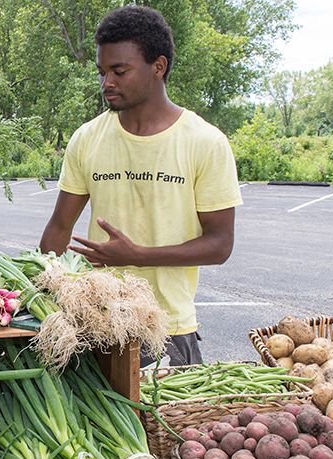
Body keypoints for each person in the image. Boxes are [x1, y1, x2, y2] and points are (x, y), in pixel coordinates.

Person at [39, 5, 242, 367]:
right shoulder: (87, 138)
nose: (107, 83)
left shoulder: (204, 141)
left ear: (158, 67)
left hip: (167, 327)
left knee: (168, 424)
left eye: (119, 71)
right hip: (95, 325)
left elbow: (219, 244)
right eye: (102, 72)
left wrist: (137, 256)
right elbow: (59, 227)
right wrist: (43, 291)